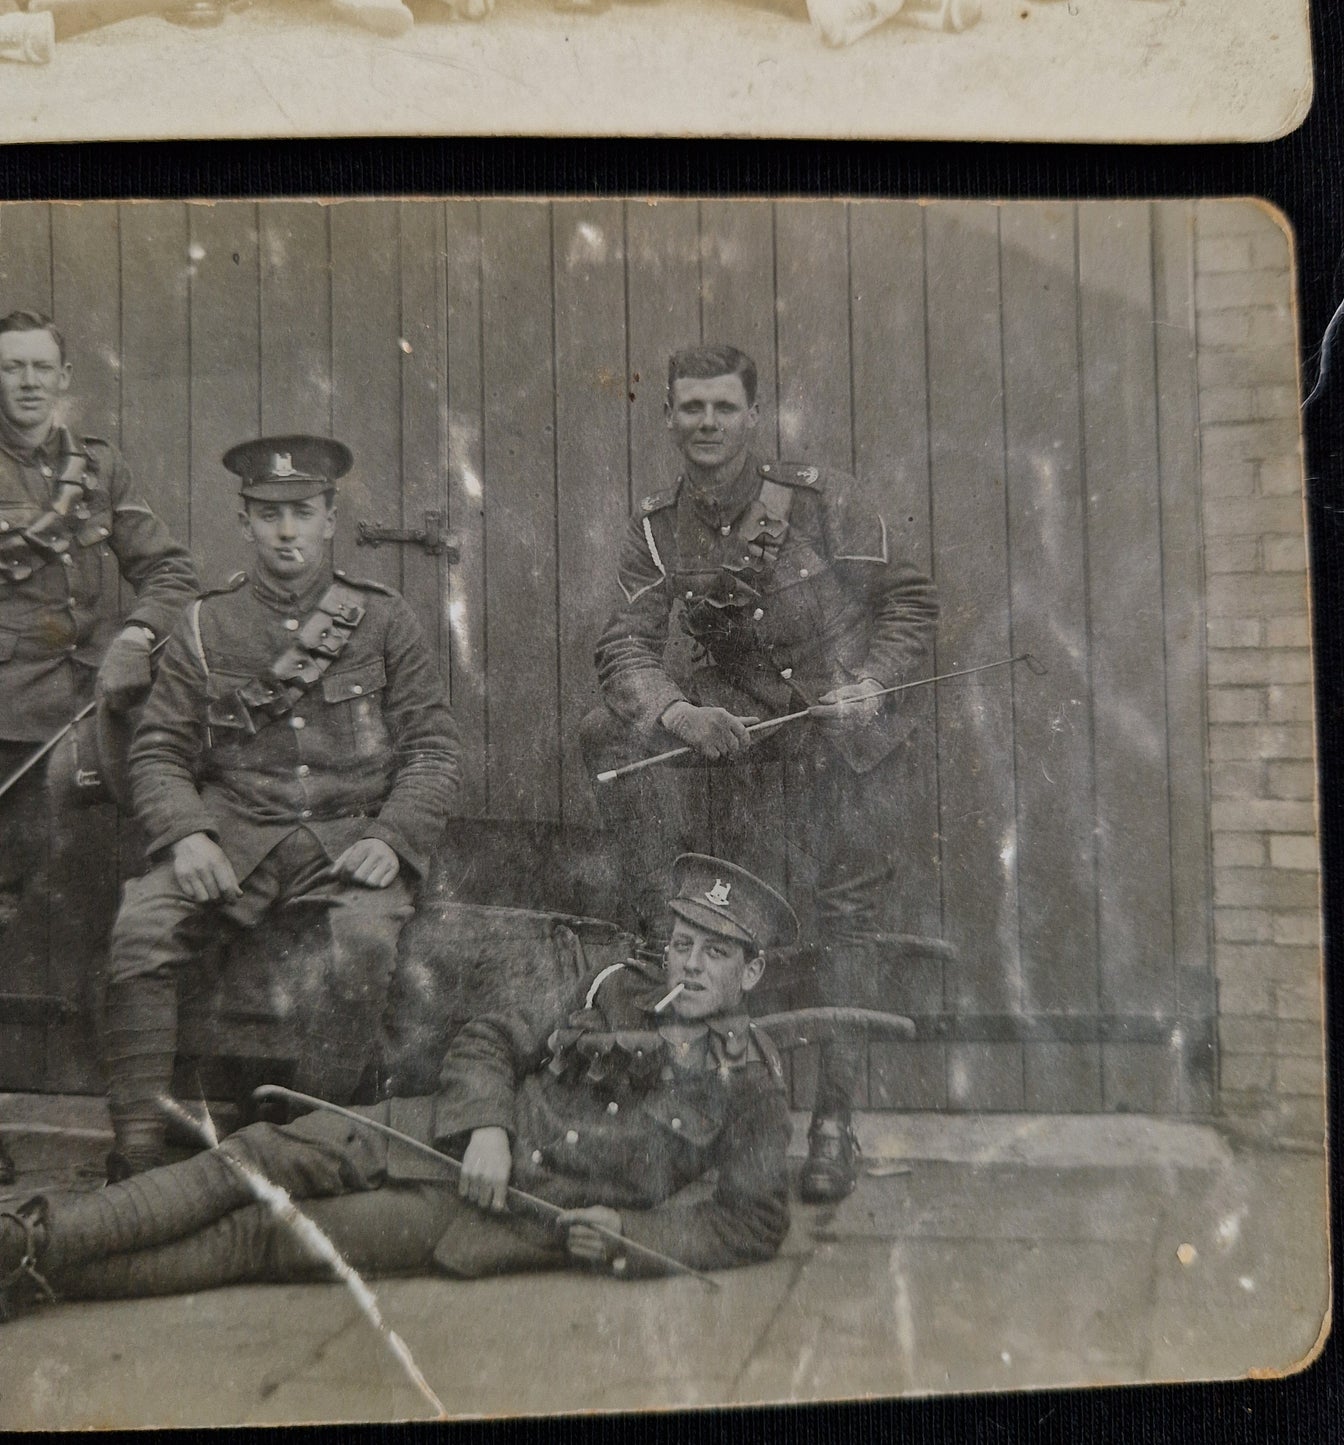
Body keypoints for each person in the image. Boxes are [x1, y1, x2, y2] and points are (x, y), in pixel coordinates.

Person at [0, 855, 796, 1310]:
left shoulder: (752, 1084)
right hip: (430, 1130)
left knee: (270, 1236)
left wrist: (632, 1236)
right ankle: (29, 1238)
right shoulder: (609, 983)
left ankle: (35, 1275)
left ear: (753, 970)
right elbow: (488, 1036)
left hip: (497, 1216)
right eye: (682, 942)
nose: (690, 965)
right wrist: (487, 1127)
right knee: (256, 1153)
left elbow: (752, 1222)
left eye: (716, 952)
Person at [580, 344, 939, 1205]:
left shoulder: (820, 500)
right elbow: (624, 643)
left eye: (722, 407)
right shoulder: (656, 527)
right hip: (741, 750)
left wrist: (872, 683)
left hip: (844, 743)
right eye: (690, 407)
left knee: (847, 925)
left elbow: (910, 602)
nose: (705, 423)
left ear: (752, 415)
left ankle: (833, 1124)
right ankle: (719, 1110)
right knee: (708, 909)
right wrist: (677, 713)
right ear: (668, 416)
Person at [102, 435, 462, 1180]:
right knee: (141, 929)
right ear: (245, 522)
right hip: (235, 838)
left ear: (331, 518)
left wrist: (392, 838)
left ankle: (310, 1140)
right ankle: (135, 1153)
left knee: (364, 940)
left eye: (302, 512)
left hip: (348, 841)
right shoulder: (205, 624)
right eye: (270, 515)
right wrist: (187, 835)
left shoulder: (382, 619)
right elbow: (160, 751)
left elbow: (432, 749)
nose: (287, 531)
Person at [0, 310, 200, 1186]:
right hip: (6, 726)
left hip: (92, 728)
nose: (26, 383)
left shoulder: (100, 466)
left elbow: (172, 571)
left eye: (39, 368)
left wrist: (137, 637)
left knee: (110, 920)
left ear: (64, 377)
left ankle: (134, 1136)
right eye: (10, 368)